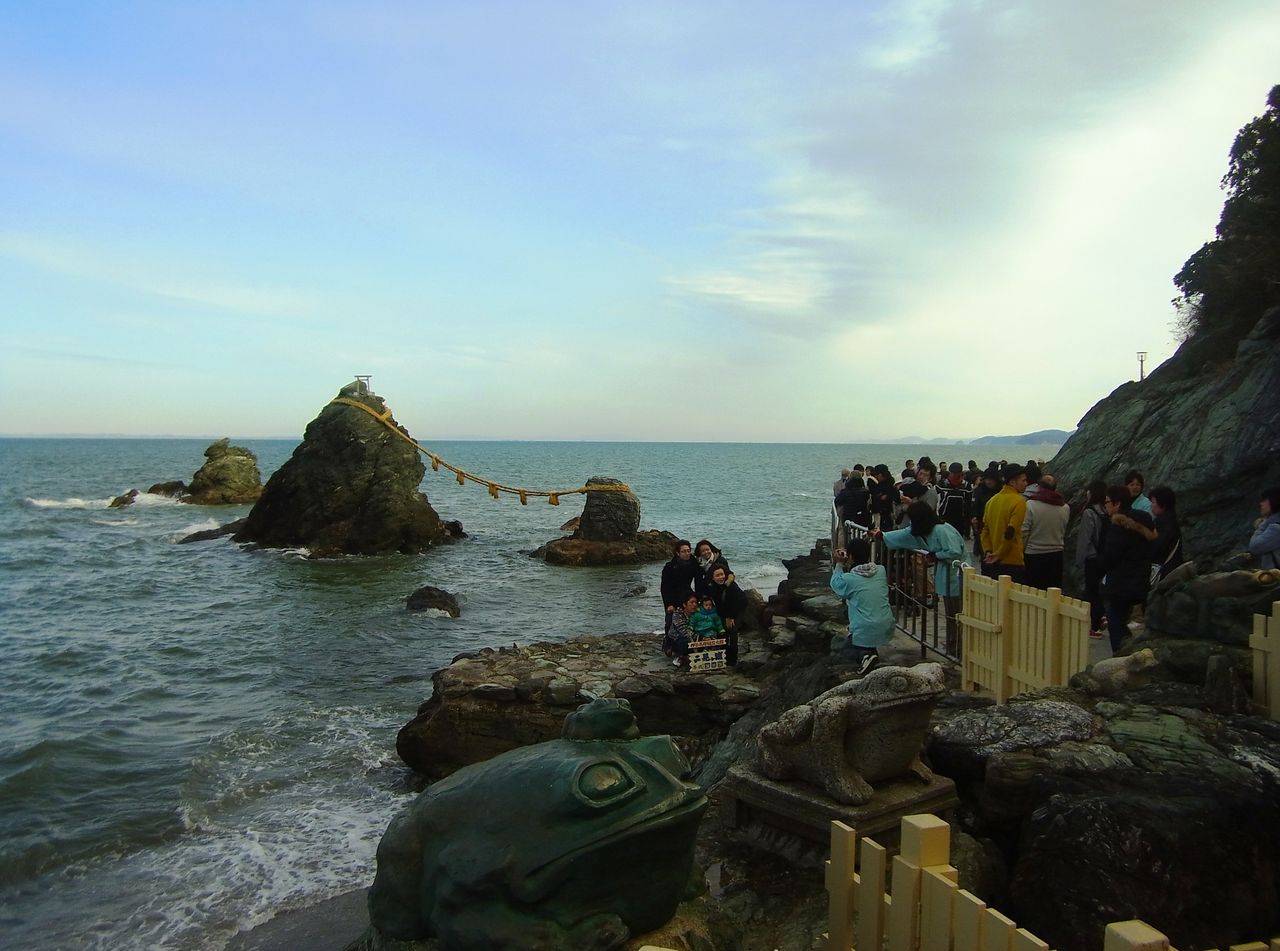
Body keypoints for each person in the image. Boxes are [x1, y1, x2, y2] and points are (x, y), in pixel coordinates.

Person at [876, 501, 966, 655]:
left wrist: (935, 555)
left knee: (956, 613)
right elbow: (904, 534)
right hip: (947, 575)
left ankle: (957, 646)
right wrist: (883, 535)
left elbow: (954, 551)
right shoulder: (929, 529)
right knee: (951, 613)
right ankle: (953, 645)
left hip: (956, 574)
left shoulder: (942, 530)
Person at [1100, 485, 1155, 652]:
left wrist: (1100, 566)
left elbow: (1111, 554)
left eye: (1107, 502)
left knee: (1115, 619)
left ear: (1117, 504)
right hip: (1141, 577)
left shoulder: (1118, 525)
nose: (1105, 506)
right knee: (1124, 617)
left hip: (1120, 581)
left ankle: (1123, 653)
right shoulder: (1145, 518)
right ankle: (1130, 649)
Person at [829, 538, 894, 675]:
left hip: (866, 628)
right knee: (865, 635)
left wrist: (839, 564)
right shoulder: (881, 571)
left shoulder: (849, 579)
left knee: (845, 650)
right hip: (886, 625)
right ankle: (869, 655)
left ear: (850, 556)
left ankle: (864, 656)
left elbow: (836, 584)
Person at [980, 464, 1029, 582]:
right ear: (1012, 482)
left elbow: (985, 530)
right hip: (1012, 561)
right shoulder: (1019, 501)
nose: (1026, 483)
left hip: (992, 561)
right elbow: (1011, 531)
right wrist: (999, 553)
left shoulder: (992, 501)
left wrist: (988, 551)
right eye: (1023, 480)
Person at [1021, 473, 1070, 589]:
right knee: (1053, 591)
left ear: (1039, 487)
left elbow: (1024, 532)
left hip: (1034, 555)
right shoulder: (1065, 507)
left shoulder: (1031, 505)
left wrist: (1022, 550)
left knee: (1034, 591)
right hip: (1056, 554)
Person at [1075, 480, 1109, 637]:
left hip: (1092, 557)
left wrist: (1079, 561)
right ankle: (1103, 617)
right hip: (1106, 556)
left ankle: (1094, 625)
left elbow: (1084, 538)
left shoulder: (1090, 512)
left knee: (1091, 591)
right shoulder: (1107, 510)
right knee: (1101, 589)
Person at [708, 564, 747, 666]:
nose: (721, 577)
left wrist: (731, 617)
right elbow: (719, 605)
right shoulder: (713, 588)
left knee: (732, 630)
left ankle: (733, 659)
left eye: (722, 574)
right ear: (713, 578)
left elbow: (741, 601)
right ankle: (723, 656)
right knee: (722, 631)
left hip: (738, 609)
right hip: (725, 611)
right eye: (717, 576)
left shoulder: (731, 586)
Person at [1147, 486, 1185, 581]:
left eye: (1153, 502)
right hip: (1172, 568)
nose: (1151, 505)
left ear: (1163, 505)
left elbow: (1157, 548)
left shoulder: (1162, 523)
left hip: (1164, 571)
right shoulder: (1172, 520)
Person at [660, 539, 698, 635]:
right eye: (683, 551)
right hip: (672, 596)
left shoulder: (693, 563)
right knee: (670, 621)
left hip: (687, 594)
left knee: (689, 621)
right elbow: (665, 587)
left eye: (688, 551)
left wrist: (698, 597)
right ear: (677, 553)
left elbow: (699, 580)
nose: (687, 553)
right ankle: (668, 644)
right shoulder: (669, 567)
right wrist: (668, 604)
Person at [662, 592, 699, 668]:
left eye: (696, 602)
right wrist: (699, 638)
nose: (694, 605)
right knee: (685, 642)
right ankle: (678, 654)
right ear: (684, 604)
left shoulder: (698, 614)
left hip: (693, 638)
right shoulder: (677, 614)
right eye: (691, 602)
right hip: (676, 638)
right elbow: (683, 631)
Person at [970, 467, 1000, 560]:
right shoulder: (980, 490)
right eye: (987, 479)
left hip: (997, 522)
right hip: (982, 521)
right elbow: (975, 505)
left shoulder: (1001, 491)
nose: (988, 482)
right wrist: (974, 517)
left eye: (991, 479)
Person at [936, 462, 972, 539]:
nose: (954, 475)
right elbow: (934, 496)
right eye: (952, 473)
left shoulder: (966, 486)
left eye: (956, 473)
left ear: (960, 473)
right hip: (945, 517)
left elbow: (968, 506)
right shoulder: (942, 483)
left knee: (958, 540)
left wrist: (967, 530)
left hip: (960, 518)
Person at [1249, 487, 1280, 569]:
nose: (1260, 504)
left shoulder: (1276, 528)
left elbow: (1255, 547)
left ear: (1273, 500)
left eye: (1264, 500)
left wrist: (1260, 527)